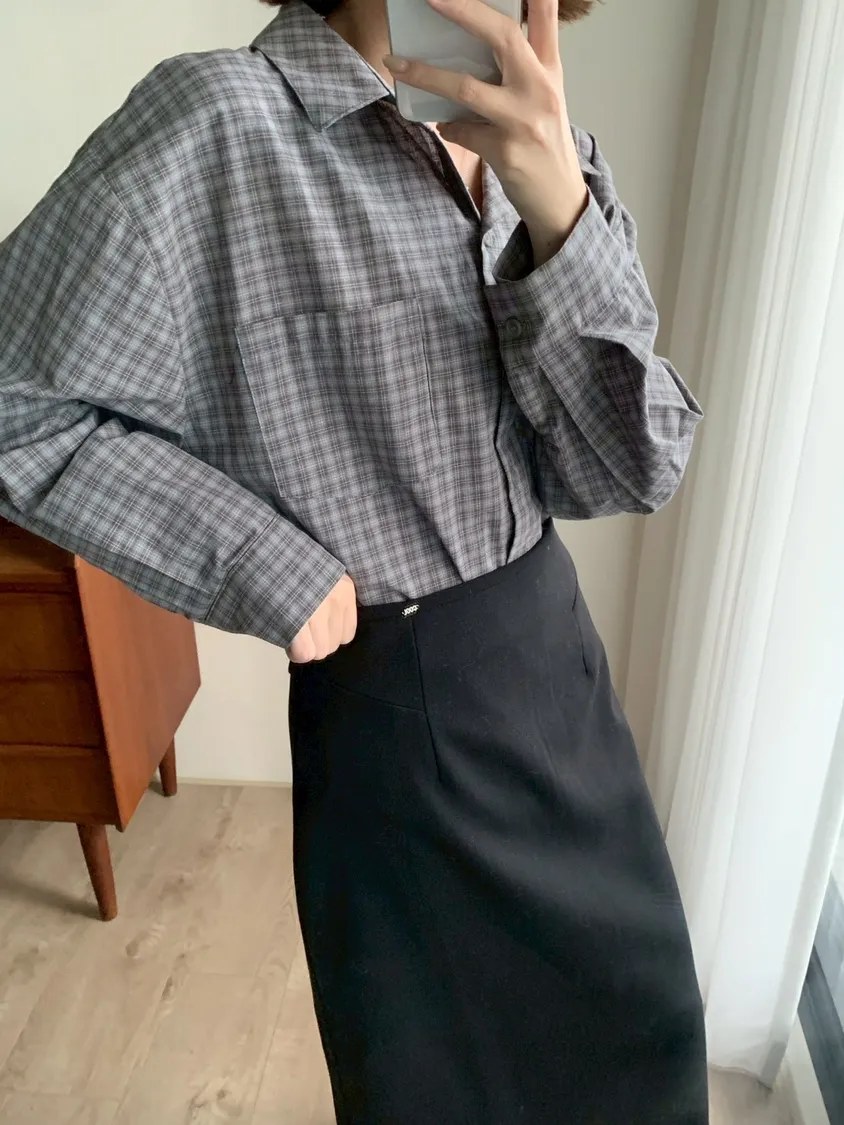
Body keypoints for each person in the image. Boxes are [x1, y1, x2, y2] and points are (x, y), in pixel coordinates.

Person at [0, 0, 709, 1120]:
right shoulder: (221, 123)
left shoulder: (552, 153)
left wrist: (558, 210)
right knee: (437, 1088)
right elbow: (18, 404)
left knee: (645, 1041)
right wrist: (263, 561)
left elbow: (630, 468)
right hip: (395, 725)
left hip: (560, 681)